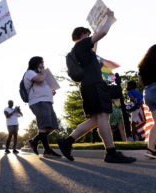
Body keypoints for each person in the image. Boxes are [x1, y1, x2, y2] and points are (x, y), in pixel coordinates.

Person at [57, 9, 136, 163]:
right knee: (102, 117)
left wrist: (97, 31)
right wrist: (109, 19)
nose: (89, 36)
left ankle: (67, 142)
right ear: (82, 35)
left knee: (95, 120)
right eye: (87, 34)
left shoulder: (81, 50)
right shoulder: (82, 44)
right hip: (94, 86)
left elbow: (95, 46)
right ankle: (111, 153)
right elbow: (103, 33)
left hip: (88, 86)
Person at [24, 57, 62, 158]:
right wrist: (45, 72)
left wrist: (50, 92)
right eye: (42, 63)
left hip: (47, 101)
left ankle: (34, 141)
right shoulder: (30, 73)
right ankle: (47, 150)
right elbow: (40, 80)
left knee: (52, 126)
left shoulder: (41, 74)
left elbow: (42, 84)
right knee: (44, 126)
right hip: (38, 102)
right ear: (37, 63)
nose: (43, 65)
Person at [138, 44, 156, 158]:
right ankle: (150, 149)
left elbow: (140, 81)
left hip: (148, 93)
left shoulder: (143, 66)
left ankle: (151, 149)